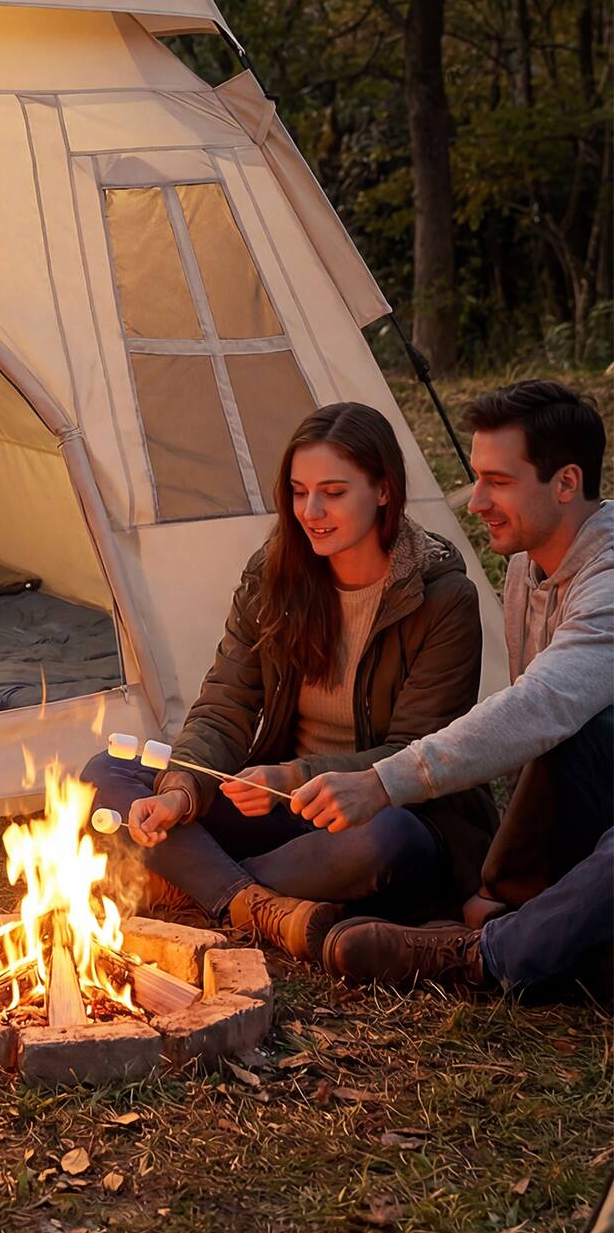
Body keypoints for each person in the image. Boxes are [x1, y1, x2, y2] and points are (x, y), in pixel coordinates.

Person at [85, 401, 497, 961]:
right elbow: (226, 701)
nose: (312, 511)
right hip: (276, 805)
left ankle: (194, 881)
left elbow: (417, 752)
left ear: (383, 490)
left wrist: (294, 774)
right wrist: (184, 790)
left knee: (389, 843)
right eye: (299, 492)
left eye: (333, 491)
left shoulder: (441, 598)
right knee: (108, 769)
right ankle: (248, 900)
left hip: (383, 813)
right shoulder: (275, 574)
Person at [294, 381, 612, 998]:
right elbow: (545, 740)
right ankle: (539, 925)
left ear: (566, 483)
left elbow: (541, 705)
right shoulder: (529, 565)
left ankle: (485, 956)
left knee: (569, 725)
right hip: (588, 811)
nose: (476, 502)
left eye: (498, 481)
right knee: (574, 736)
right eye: (476, 477)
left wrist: (384, 781)